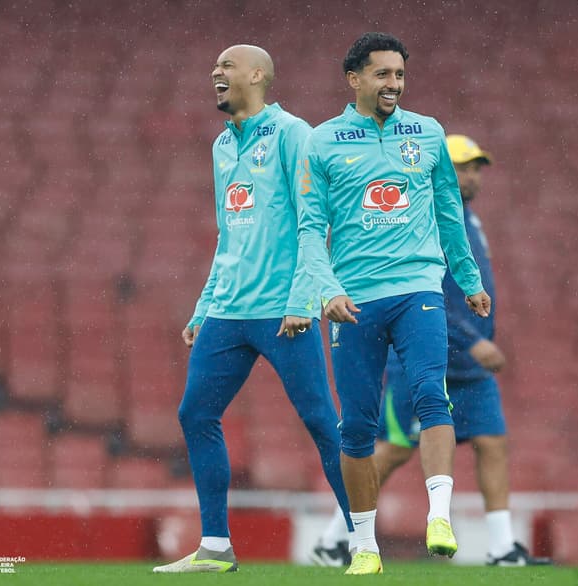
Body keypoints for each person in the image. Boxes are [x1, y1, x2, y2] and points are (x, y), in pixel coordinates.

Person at [295, 32, 491, 575]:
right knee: (355, 427)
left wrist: (468, 278)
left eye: (400, 75)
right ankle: (363, 546)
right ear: (354, 79)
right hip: (354, 302)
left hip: (419, 289)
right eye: (383, 74)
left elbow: (449, 211)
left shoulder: (426, 133)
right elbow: (309, 228)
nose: (394, 85)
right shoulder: (323, 141)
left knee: (432, 391)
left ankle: (440, 515)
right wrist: (326, 290)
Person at [152, 44, 351, 574]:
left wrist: (303, 298)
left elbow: (316, 221)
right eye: (214, 65)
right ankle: (215, 545)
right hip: (228, 310)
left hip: (282, 310)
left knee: (321, 422)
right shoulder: (221, 146)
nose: (214, 72)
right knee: (196, 413)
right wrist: (203, 307)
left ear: (257, 75)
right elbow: (228, 235)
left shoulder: (293, 134)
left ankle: (363, 536)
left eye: (226, 66)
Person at [313, 135, 552, 567]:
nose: (472, 176)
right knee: (392, 449)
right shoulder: (425, 218)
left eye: (476, 168)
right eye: (463, 167)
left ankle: (502, 547)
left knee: (493, 443)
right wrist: (472, 339)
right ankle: (335, 536)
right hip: (421, 356)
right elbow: (424, 294)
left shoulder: (468, 220)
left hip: (469, 366)